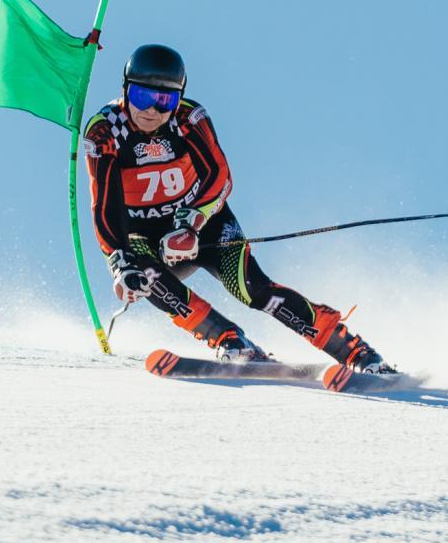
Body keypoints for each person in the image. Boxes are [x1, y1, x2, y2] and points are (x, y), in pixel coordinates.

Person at [82, 44, 397, 373]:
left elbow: (219, 176)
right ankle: (229, 340)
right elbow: (104, 204)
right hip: (145, 237)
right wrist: (118, 261)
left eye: (165, 100)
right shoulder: (106, 132)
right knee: (144, 276)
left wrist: (191, 224)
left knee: (251, 288)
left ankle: (353, 351)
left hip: (204, 226)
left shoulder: (189, 119)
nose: (152, 111)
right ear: (124, 90)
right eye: (143, 98)